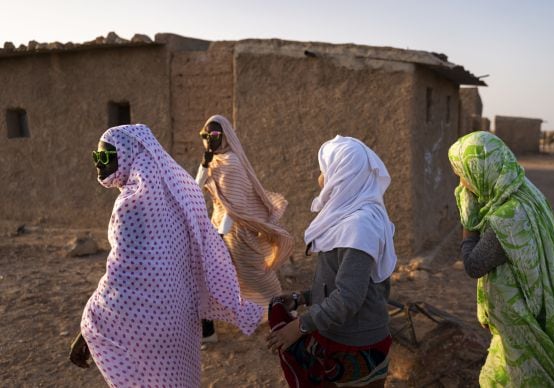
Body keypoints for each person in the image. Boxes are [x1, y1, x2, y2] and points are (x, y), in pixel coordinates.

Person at [69, 124, 263, 386]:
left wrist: (89, 325)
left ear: (127, 156)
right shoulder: (171, 195)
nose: (98, 164)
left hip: (151, 324)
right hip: (179, 316)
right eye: (96, 156)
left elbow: (122, 279)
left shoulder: (132, 204)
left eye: (105, 157)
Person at [448, 131, 554, 387]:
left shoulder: (506, 218)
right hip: (538, 310)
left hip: (525, 324)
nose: (462, 183)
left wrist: (468, 219)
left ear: (481, 170)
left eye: (463, 174)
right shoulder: (526, 191)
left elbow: (474, 264)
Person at [266, 135, 397, 388]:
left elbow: (348, 297)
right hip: (340, 335)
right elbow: (337, 281)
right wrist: (302, 298)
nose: (320, 178)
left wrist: (299, 327)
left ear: (343, 174)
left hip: (356, 344)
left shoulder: (360, 226)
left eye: (324, 170)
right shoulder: (348, 217)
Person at [195, 114, 294, 310]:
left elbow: (235, 208)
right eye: (205, 135)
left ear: (224, 136)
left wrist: (221, 235)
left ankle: (279, 309)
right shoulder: (215, 161)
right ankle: (236, 316)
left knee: (253, 275)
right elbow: (195, 189)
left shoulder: (232, 162)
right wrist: (205, 163)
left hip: (236, 231)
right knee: (222, 276)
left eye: (214, 134)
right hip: (218, 227)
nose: (209, 139)